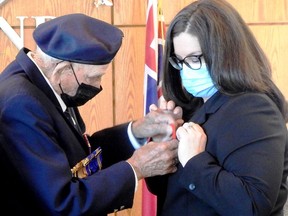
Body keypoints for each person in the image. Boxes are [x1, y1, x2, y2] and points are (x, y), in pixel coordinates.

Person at [0, 13, 183, 215]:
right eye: (94, 77)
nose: (97, 86)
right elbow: (64, 204)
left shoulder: (45, 83)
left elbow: (80, 159)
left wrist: (138, 130)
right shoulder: (22, 104)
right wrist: (136, 167)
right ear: (62, 70)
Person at [145, 0, 288, 215]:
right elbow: (164, 190)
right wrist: (163, 145)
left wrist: (195, 161)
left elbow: (252, 206)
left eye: (194, 58)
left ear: (226, 53)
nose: (186, 70)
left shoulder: (254, 110)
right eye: (179, 60)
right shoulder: (192, 105)